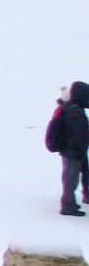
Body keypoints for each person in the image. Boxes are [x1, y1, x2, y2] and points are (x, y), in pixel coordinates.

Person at [48, 83, 89, 216]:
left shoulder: (68, 107)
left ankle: (76, 199)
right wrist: (82, 146)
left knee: (73, 175)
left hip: (68, 148)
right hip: (74, 149)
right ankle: (68, 205)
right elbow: (79, 134)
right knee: (71, 178)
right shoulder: (77, 112)